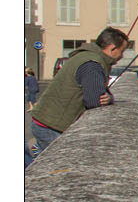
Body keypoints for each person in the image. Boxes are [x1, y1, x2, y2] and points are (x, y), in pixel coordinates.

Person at [29, 28, 128, 156]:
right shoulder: (92, 65)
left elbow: (101, 93)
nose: (122, 56)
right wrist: (108, 99)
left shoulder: (85, 56)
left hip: (45, 122)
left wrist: (109, 98)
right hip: (52, 126)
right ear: (112, 48)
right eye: (122, 51)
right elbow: (95, 102)